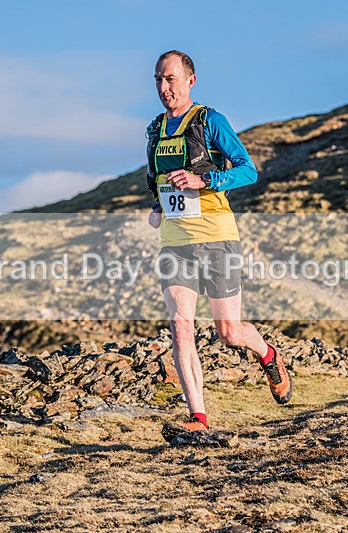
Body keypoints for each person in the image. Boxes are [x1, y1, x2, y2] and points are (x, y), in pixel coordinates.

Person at [145, 50, 293, 433]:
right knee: (180, 324)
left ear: (190, 80)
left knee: (229, 332)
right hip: (175, 242)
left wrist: (205, 181)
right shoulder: (154, 129)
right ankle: (198, 418)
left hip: (217, 238)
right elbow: (160, 180)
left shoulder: (210, 121)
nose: (164, 87)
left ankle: (268, 355)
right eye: (158, 79)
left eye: (171, 79)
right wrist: (159, 206)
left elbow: (248, 170)